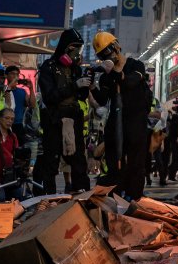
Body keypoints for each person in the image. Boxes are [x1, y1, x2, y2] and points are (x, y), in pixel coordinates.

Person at [93, 31, 153, 200]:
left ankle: (135, 198)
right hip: (116, 122)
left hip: (135, 121)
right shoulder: (106, 77)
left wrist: (115, 73)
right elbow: (102, 99)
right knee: (114, 162)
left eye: (109, 52)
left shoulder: (136, 65)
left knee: (136, 162)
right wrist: (90, 87)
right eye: (103, 55)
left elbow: (131, 81)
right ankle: (115, 195)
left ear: (117, 47)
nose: (109, 57)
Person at [33, 29, 91, 194]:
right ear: (66, 47)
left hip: (74, 120)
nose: (76, 52)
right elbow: (50, 96)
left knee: (78, 162)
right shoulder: (48, 67)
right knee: (51, 162)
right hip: (54, 119)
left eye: (79, 48)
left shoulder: (75, 69)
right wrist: (75, 85)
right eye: (74, 48)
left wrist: (86, 84)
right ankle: (47, 198)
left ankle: (82, 197)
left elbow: (81, 97)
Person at [5, 65, 34, 143]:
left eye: (17, 74)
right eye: (12, 74)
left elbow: (32, 105)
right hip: (4, 124)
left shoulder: (22, 91)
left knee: (19, 149)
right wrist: (10, 86)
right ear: (6, 75)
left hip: (18, 125)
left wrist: (31, 88)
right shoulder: (3, 90)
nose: (15, 76)